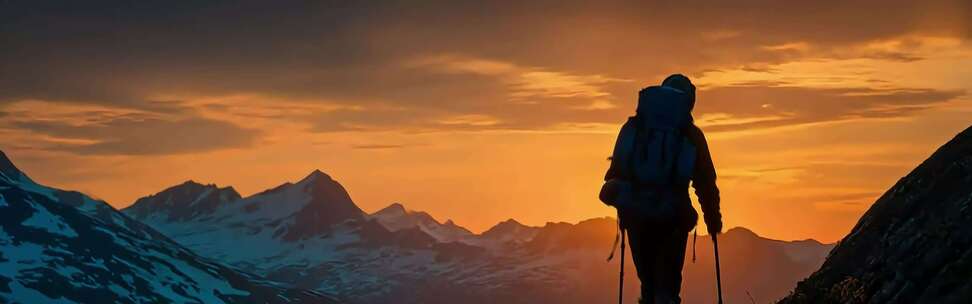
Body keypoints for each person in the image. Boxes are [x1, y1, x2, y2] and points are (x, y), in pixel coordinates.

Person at [602, 74, 721, 304]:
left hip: (637, 217)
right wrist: (713, 220)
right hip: (673, 217)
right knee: (668, 287)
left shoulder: (634, 128)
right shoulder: (691, 134)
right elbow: (705, 182)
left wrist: (625, 202)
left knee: (648, 285)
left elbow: (616, 171)